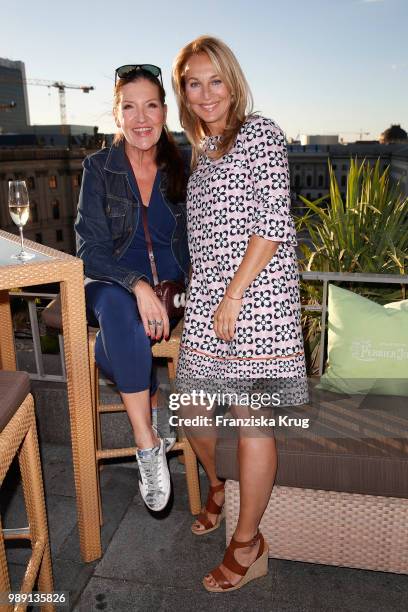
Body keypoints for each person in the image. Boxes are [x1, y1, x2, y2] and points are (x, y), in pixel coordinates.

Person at [172, 37, 308, 592]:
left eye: (215, 81)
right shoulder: (203, 150)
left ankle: (249, 543)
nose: (205, 94)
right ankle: (221, 483)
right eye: (193, 83)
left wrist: (232, 295)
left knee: (255, 424)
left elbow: (272, 225)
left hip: (256, 300)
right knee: (191, 410)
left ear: (233, 82)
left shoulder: (260, 134)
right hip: (210, 301)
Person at [75, 64, 190, 513]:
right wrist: (136, 283)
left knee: (113, 342)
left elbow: (195, 241)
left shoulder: (183, 167)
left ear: (164, 112)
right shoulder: (98, 168)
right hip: (110, 286)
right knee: (120, 311)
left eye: (151, 106)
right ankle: (148, 442)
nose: (141, 118)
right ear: (116, 114)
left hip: (168, 295)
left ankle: (150, 399)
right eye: (129, 107)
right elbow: (90, 248)